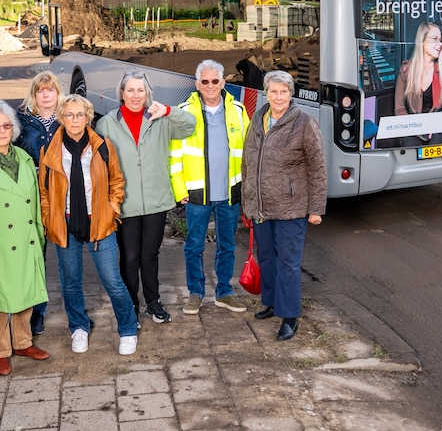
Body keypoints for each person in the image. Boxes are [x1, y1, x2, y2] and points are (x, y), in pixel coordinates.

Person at [40, 95, 140, 355]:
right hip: (65, 223)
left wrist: (112, 208)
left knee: (112, 280)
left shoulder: (103, 146)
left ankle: (128, 328)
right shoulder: (49, 150)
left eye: (80, 115)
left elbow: (117, 181)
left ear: (88, 118)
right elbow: (44, 190)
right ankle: (78, 327)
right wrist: (48, 218)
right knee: (71, 282)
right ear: (61, 118)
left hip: (99, 222)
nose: (75, 120)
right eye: (69, 115)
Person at [94, 71, 195, 324]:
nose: (135, 95)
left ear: (147, 93)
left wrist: (169, 111)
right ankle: (131, 305)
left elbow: (190, 125)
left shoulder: (159, 119)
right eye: (130, 90)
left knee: (150, 255)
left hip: (155, 200)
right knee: (130, 257)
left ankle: (153, 302)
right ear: (122, 93)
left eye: (140, 90)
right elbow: (99, 164)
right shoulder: (107, 124)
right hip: (125, 203)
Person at [0, 100, 50, 376]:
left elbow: (34, 202)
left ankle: (23, 343)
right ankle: (0, 351)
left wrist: (39, 235)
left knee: (25, 291)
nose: (2, 131)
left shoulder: (24, 158)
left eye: (6, 126)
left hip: (25, 237)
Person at [241, 70, 326, 342]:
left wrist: (316, 208)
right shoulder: (258, 119)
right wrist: (248, 201)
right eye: (274, 91)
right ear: (266, 93)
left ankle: (289, 316)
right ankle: (271, 302)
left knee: (288, 263)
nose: (278, 97)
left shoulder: (305, 123)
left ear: (291, 94)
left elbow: (317, 168)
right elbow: (248, 161)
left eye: (284, 92)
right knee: (267, 258)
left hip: (291, 208)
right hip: (262, 206)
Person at [170, 60, 250, 315]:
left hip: (229, 194)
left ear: (223, 83)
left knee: (227, 246)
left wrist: (246, 188)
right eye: (205, 81)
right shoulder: (184, 112)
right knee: (194, 246)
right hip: (196, 195)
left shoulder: (238, 110)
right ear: (197, 84)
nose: (210, 86)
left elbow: (248, 152)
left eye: (215, 81)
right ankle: (195, 293)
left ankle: (224, 292)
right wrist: (179, 189)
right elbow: (174, 155)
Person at [15, 70, 64, 337]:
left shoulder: (67, 116)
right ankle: (37, 311)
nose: (46, 95)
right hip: (32, 197)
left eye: (50, 90)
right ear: (34, 94)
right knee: (36, 256)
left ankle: (76, 309)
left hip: (63, 195)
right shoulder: (21, 120)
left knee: (68, 255)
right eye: (40, 90)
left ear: (58, 93)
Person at [393, 22, 442, 145]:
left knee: (437, 146)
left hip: (437, 125)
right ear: (422, 40)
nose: (440, 44)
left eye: (440, 40)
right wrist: (417, 129)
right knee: (411, 146)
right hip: (412, 126)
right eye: (435, 39)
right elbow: (400, 109)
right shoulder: (406, 70)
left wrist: (440, 125)